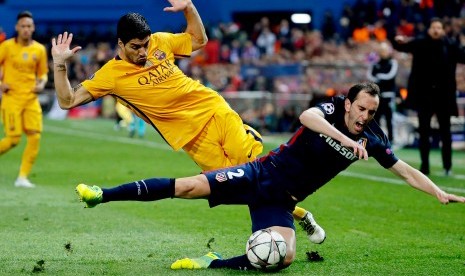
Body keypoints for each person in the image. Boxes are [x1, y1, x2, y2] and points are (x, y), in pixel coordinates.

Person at [75, 82, 465, 271]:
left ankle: (213, 262)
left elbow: (405, 171)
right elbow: (306, 118)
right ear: (349, 103)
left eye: (371, 112)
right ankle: (102, 194)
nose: (365, 117)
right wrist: (344, 137)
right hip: (260, 173)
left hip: (282, 200)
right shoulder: (330, 113)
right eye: (361, 108)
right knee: (188, 187)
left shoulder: (374, 141)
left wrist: (438, 193)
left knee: (284, 257)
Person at [50, 0, 324, 244]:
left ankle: (272, 201)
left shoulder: (160, 41)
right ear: (120, 44)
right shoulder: (110, 75)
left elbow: (198, 40)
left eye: (145, 45)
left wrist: (190, 9)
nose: (143, 51)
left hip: (213, 110)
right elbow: (68, 101)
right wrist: (60, 65)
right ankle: (299, 213)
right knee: (236, 185)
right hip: (191, 139)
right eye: (135, 47)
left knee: (252, 169)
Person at [392, 17, 465, 176]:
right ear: (429, 29)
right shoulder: (420, 43)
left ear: (443, 29)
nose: (437, 30)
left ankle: (448, 166)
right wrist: (396, 40)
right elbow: (401, 46)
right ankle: (425, 166)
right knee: (424, 132)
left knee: (446, 133)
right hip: (424, 96)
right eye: (434, 27)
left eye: (439, 27)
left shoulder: (450, 45)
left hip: (444, 97)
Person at [0, 11, 48, 188]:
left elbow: (43, 73)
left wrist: (42, 84)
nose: (26, 29)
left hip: (31, 98)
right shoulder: (6, 47)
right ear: (17, 27)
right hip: (11, 98)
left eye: (29, 26)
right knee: (13, 140)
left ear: (33, 28)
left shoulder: (39, 49)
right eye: (23, 26)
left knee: (35, 137)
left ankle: (22, 177)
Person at [366, 41, 398, 142]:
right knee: (376, 118)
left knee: (389, 118)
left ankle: (391, 139)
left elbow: (390, 75)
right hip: (377, 95)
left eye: (384, 50)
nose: (382, 53)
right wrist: (377, 78)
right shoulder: (375, 64)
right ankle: (376, 139)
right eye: (381, 50)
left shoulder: (392, 62)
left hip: (388, 95)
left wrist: (379, 77)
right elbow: (369, 75)